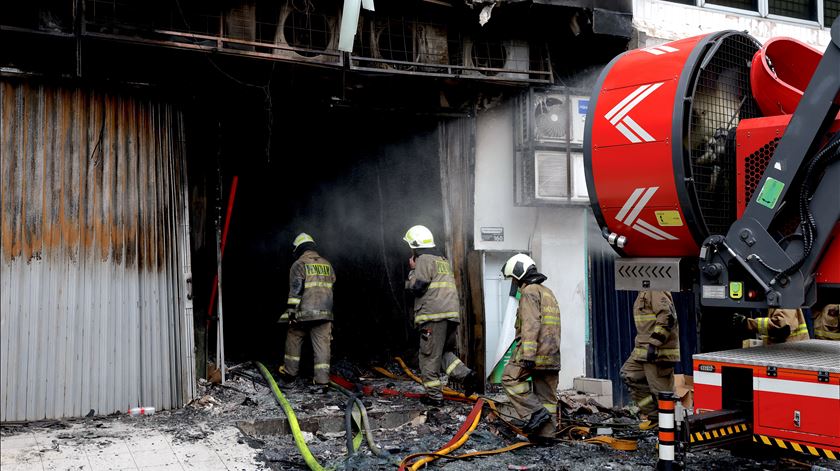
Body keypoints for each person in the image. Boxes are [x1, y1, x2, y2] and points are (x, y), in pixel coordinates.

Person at [403, 225, 479, 406]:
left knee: (428, 357)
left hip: (433, 317)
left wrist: (412, 271)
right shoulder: (442, 260)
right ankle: (466, 376)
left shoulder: (424, 259)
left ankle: (434, 397)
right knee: (443, 353)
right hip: (450, 316)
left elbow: (418, 287)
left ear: (415, 245)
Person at [499, 253, 561, 438]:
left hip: (534, 353)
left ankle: (536, 412)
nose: (514, 283)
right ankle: (547, 436)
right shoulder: (548, 292)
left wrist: (528, 355)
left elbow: (530, 324)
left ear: (519, 273)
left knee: (509, 379)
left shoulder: (529, 292)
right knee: (547, 396)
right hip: (552, 354)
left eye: (513, 278)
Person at [277, 233, 336, 393]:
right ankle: (322, 383)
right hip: (325, 313)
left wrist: (291, 312)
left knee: (294, 338)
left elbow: (296, 290)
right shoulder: (327, 264)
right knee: (322, 346)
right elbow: (331, 285)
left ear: (298, 249)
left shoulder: (299, 264)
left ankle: (289, 376)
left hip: (304, 314)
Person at [620, 290, 679, 422]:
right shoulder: (644, 290)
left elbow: (667, 317)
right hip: (642, 350)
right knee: (629, 375)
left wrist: (654, 343)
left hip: (657, 352)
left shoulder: (656, 288)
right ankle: (655, 417)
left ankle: (671, 426)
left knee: (662, 394)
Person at [734, 308, 809, 345]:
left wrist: (747, 323)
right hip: (787, 351)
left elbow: (781, 328)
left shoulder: (784, 298)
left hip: (790, 353)